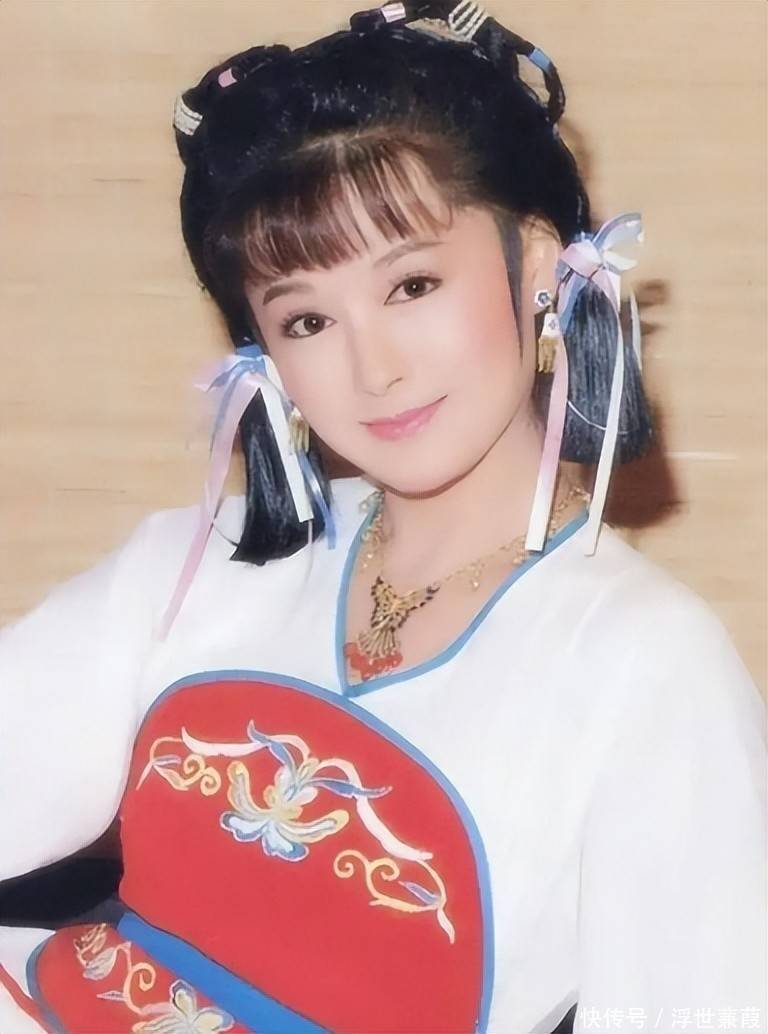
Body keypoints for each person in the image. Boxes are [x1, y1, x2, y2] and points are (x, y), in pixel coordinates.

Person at [0, 2, 765, 1032]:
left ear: (539, 265)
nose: (375, 367)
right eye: (308, 317)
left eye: (412, 284)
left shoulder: (649, 665)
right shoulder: (197, 561)